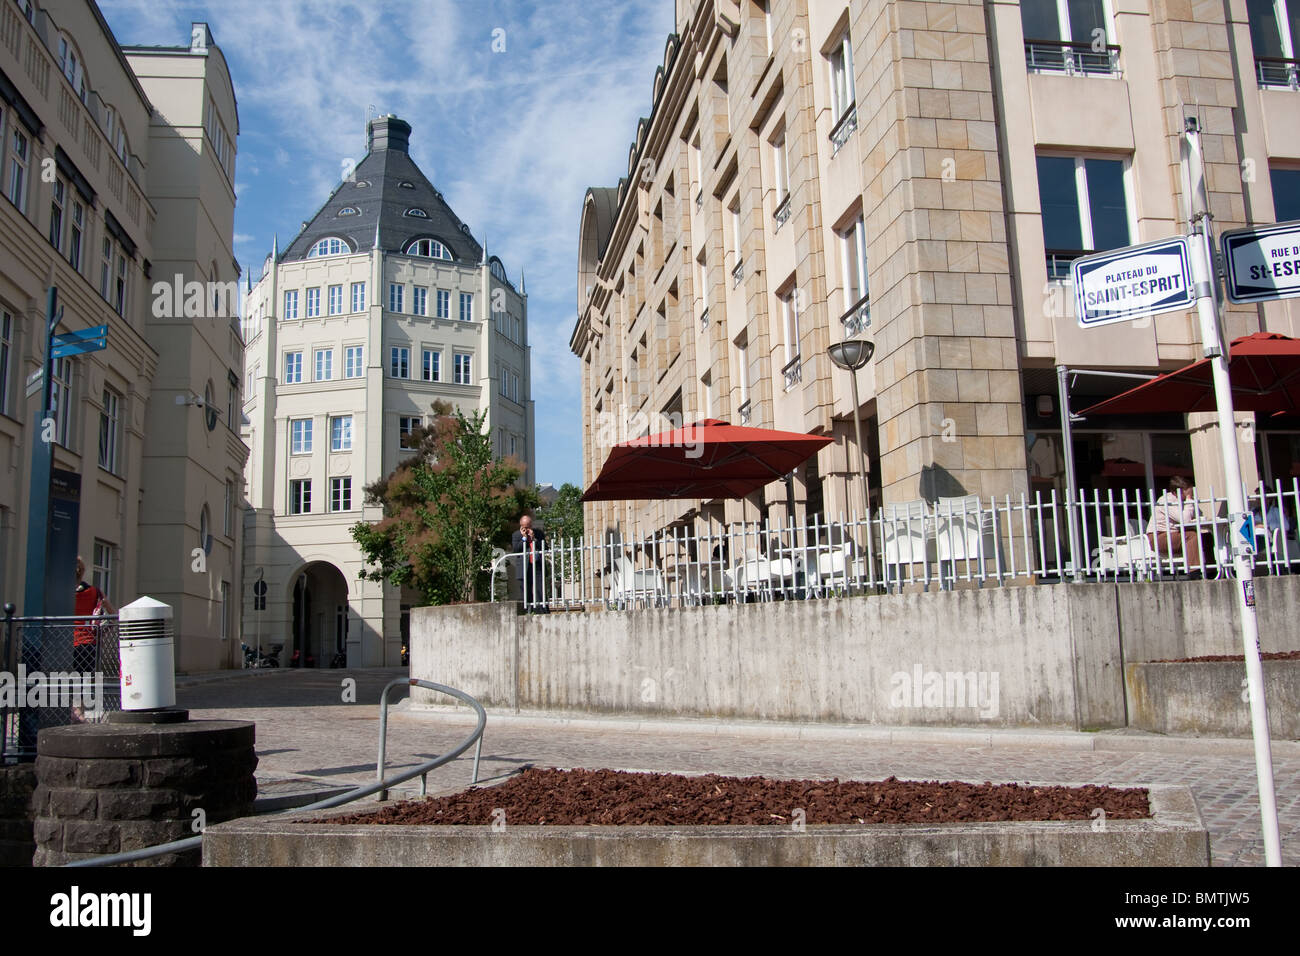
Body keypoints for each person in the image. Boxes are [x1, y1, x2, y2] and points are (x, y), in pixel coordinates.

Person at [1146, 475, 1205, 572]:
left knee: (1206, 537)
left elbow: (1196, 515)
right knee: (1191, 536)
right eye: (1186, 494)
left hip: (1174, 535)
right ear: (1175, 492)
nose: (1187, 497)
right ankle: (1194, 571)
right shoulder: (1166, 500)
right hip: (1158, 536)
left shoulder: (1183, 501)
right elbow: (1185, 520)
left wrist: (1190, 502)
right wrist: (1189, 500)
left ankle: (1211, 570)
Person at [73, 556, 114, 673]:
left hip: (65, 642)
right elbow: (112, 613)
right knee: (85, 679)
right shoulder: (95, 592)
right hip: (89, 641)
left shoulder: (62, 593)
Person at [511, 515, 548, 613]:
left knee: (539, 590)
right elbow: (516, 549)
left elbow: (545, 547)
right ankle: (527, 610)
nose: (527, 529)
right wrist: (524, 539)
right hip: (524, 567)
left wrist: (534, 538)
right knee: (525, 591)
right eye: (524, 527)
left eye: (528, 527)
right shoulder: (516, 535)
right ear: (521, 526)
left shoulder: (538, 533)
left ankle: (542, 611)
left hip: (537, 566)